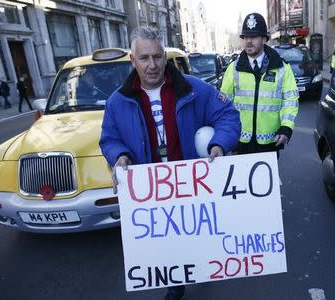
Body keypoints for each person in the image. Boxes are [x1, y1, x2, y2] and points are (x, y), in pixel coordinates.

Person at [99, 26, 240, 300]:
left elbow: (228, 116)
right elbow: (109, 139)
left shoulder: (194, 89)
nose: (152, 65)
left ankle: (204, 264)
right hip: (153, 192)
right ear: (133, 60)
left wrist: (219, 144)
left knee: (197, 232)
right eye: (144, 58)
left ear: (165, 57)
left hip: (193, 184)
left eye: (158, 56)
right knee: (166, 241)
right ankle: (175, 283)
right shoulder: (117, 102)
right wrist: (120, 157)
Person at [220, 12, 299, 158]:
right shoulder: (233, 68)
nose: (248, 41)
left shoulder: (282, 68)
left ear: (264, 39)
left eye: (254, 36)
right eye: (246, 37)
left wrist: (286, 127)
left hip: (270, 143)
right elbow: (223, 104)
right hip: (239, 142)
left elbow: (290, 100)